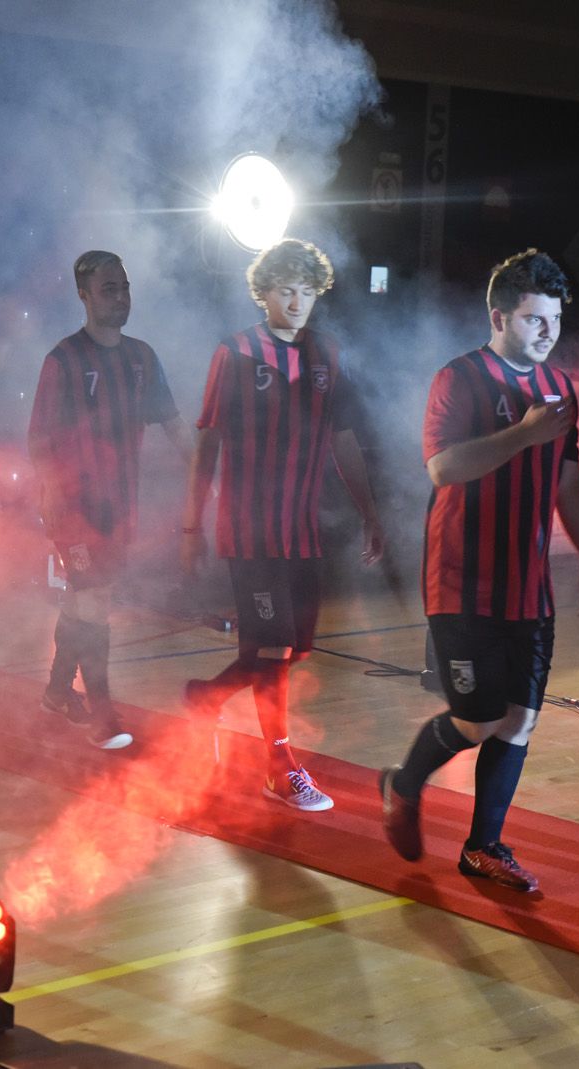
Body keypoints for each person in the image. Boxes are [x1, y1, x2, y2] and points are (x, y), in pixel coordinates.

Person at [380, 248, 579, 892]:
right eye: (534, 319)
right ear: (499, 317)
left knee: (521, 719)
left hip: (529, 589)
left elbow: (567, 480)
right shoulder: (459, 379)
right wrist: (522, 436)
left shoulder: (560, 390)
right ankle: (404, 783)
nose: (548, 331)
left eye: (555, 319)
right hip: (462, 584)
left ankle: (484, 847)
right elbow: (442, 468)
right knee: (477, 720)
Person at [181, 238, 384, 811]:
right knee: (273, 650)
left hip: (301, 530)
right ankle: (279, 768)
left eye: (307, 292)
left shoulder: (328, 354)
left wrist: (370, 513)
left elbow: (345, 440)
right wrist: (190, 527)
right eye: (285, 291)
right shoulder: (236, 352)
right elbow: (207, 444)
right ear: (263, 293)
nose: (297, 302)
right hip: (249, 529)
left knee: (288, 651)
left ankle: (205, 697)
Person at [28, 250, 191, 749]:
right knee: (95, 601)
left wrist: (206, 472)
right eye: (108, 290)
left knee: (84, 602)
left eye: (124, 288)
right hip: (74, 509)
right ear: (84, 296)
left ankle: (57, 694)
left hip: (121, 507)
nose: (120, 298)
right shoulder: (63, 360)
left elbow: (173, 424)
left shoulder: (142, 358)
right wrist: (52, 495)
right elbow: (39, 439)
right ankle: (103, 716)